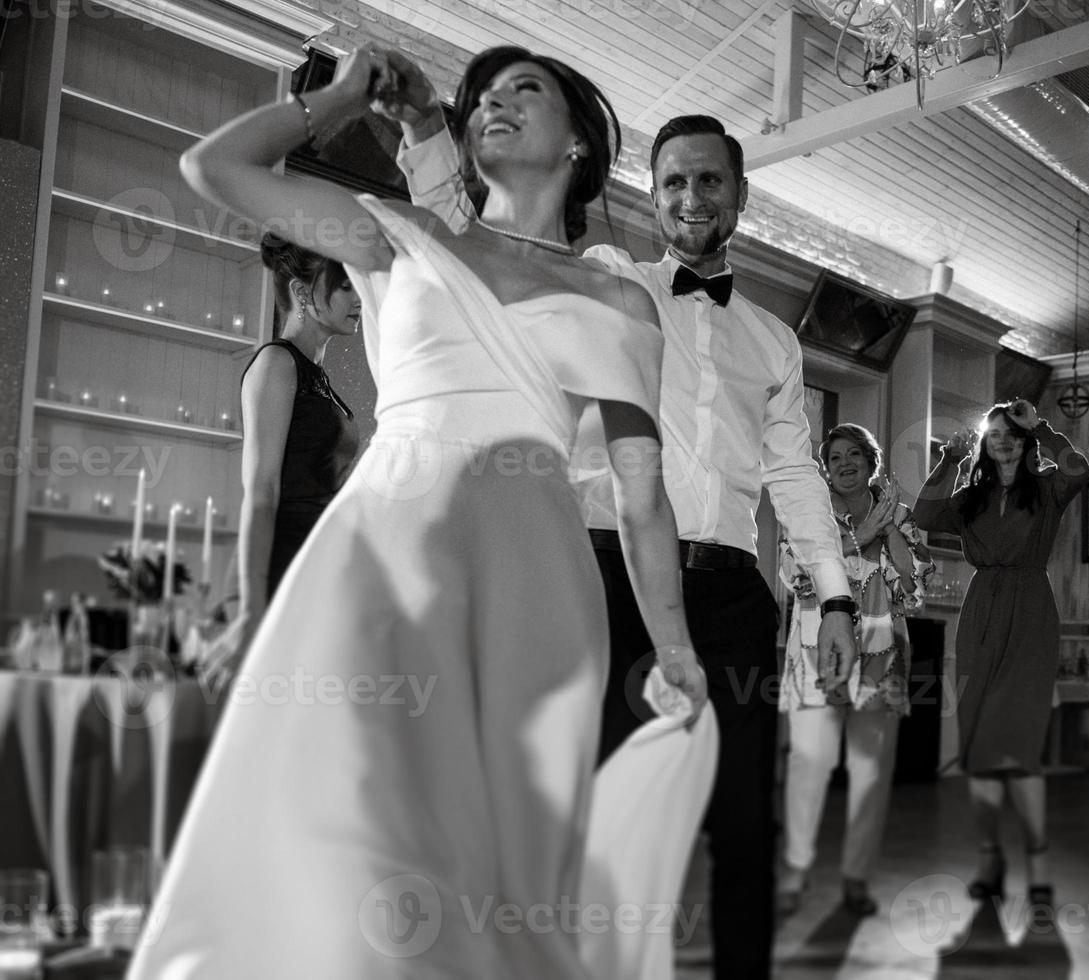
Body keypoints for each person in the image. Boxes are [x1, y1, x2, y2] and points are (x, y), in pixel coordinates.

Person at [129, 44, 712, 978]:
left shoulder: (618, 302)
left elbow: (644, 501)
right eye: (482, 94)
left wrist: (675, 651)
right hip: (377, 562)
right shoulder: (399, 236)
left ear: (579, 149)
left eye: (528, 91)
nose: (496, 104)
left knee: (507, 867)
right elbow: (215, 168)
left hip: (533, 576)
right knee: (355, 829)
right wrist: (343, 97)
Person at [394, 78, 859, 978]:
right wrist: (423, 135)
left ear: (739, 196)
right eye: (675, 182)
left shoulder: (775, 340)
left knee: (741, 827)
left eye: (710, 182)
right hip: (603, 578)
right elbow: (481, 246)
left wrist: (834, 596)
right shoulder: (609, 278)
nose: (692, 199)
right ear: (654, 194)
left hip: (729, 593)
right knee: (584, 805)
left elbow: (794, 475)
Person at [912, 398, 1089, 925]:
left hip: (1032, 609)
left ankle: (1037, 874)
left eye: (1014, 430)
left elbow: (1079, 469)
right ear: (984, 443)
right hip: (980, 610)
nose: (1005, 437)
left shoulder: (1049, 488)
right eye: (995, 431)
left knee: (1017, 746)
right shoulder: (970, 497)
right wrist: (948, 460)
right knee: (979, 743)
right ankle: (990, 861)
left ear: (1026, 438)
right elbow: (923, 514)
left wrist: (1047, 428)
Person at [777, 424, 932, 918]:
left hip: (880, 657)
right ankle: (796, 871)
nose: (844, 463)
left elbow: (916, 588)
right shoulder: (810, 516)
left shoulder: (901, 518)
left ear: (871, 462)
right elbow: (796, 576)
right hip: (816, 650)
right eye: (834, 456)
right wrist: (860, 536)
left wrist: (887, 529)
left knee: (870, 775)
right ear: (825, 467)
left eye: (854, 455)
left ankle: (856, 878)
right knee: (810, 765)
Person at [198, 235, 360, 688]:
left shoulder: (319, 377)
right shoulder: (276, 363)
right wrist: (250, 612)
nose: (359, 297)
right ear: (302, 293)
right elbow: (263, 491)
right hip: (271, 574)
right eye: (345, 285)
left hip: (311, 571)